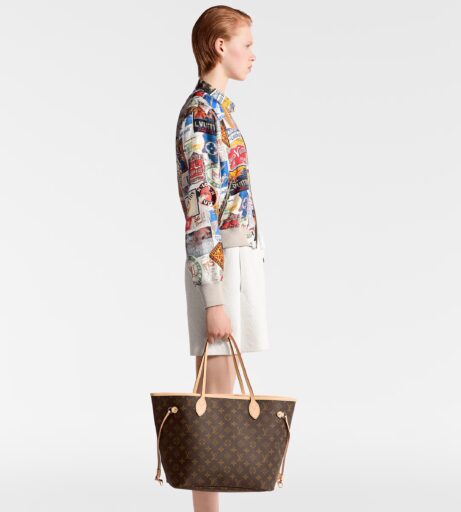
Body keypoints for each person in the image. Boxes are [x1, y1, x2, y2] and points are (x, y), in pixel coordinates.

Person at [175, 6, 269, 510]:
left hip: (234, 264)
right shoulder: (200, 115)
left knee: (219, 404)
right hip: (218, 268)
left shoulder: (221, 111)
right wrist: (214, 298)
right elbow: (200, 210)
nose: (253, 54)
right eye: (247, 44)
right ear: (219, 46)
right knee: (211, 410)